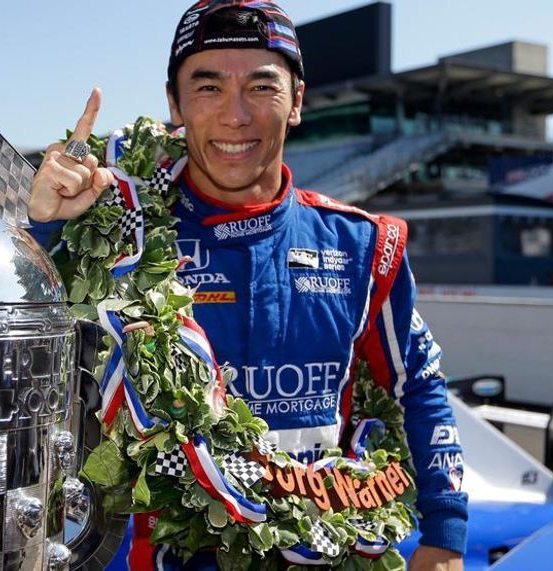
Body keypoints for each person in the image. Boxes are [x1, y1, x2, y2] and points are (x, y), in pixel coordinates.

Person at [27, 1, 467, 569]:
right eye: (208, 88)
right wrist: (47, 229)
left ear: (298, 101)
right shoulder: (123, 240)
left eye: (261, 87)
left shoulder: (362, 246)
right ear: (175, 106)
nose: (235, 116)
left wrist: (446, 535)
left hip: (329, 550)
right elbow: (33, 349)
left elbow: (421, 387)